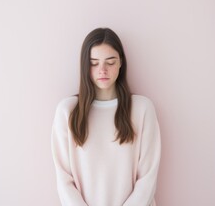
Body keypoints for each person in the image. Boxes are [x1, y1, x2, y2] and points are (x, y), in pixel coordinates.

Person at [51, 28, 161, 206]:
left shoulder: (142, 109)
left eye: (110, 62)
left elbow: (147, 180)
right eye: (94, 63)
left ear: (120, 63)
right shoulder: (67, 111)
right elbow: (64, 181)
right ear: (85, 65)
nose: (102, 70)